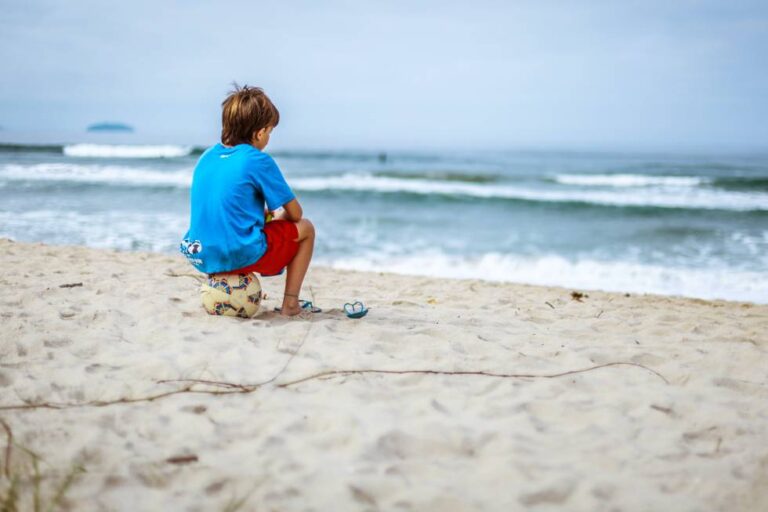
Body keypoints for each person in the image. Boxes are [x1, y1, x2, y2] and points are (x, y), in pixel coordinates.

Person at [180, 84, 315, 316]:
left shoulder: (206, 156)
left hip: (201, 253)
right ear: (260, 133)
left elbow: (224, 207)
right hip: (238, 252)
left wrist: (263, 217)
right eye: (269, 132)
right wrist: (278, 218)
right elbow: (296, 214)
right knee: (307, 229)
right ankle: (291, 304)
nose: (268, 138)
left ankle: (221, 282)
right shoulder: (258, 160)